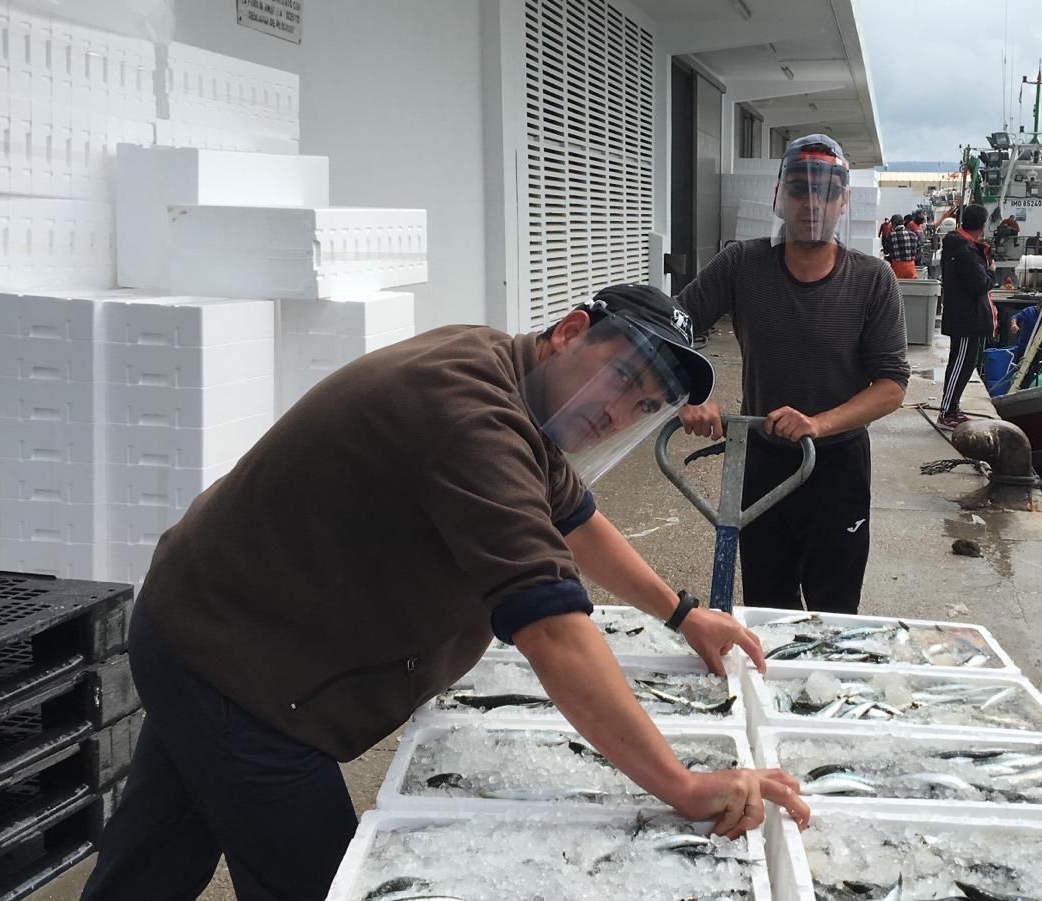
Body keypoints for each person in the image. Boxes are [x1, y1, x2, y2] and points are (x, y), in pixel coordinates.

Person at [79, 285, 811, 901]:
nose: (618, 412)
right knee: (325, 882)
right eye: (623, 376)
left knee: (153, 860)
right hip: (242, 674)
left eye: (644, 403)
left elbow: (578, 522)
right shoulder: (473, 415)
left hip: (198, 618)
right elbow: (552, 629)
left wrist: (684, 615)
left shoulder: (514, 378)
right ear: (570, 332)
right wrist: (683, 785)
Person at [675, 133, 908, 615]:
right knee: (767, 607)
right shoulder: (742, 264)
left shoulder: (872, 279)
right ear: (779, 197)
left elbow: (891, 385)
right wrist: (688, 393)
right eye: (800, 188)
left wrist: (818, 423)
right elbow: (674, 326)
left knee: (835, 611)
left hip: (838, 466)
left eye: (826, 191)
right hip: (763, 459)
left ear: (843, 202)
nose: (813, 202)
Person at [937, 204, 996, 430]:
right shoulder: (966, 251)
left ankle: (952, 408)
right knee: (960, 364)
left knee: (965, 363)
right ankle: (947, 412)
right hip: (966, 318)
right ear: (981, 226)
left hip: (964, 316)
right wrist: (991, 271)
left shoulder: (957, 246)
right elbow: (980, 284)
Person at [886, 210, 923, 279]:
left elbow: (887, 250)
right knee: (911, 285)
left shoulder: (891, 236)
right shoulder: (913, 234)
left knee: (897, 284)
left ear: (894, 224)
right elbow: (919, 251)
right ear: (903, 222)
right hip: (911, 266)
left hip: (897, 266)